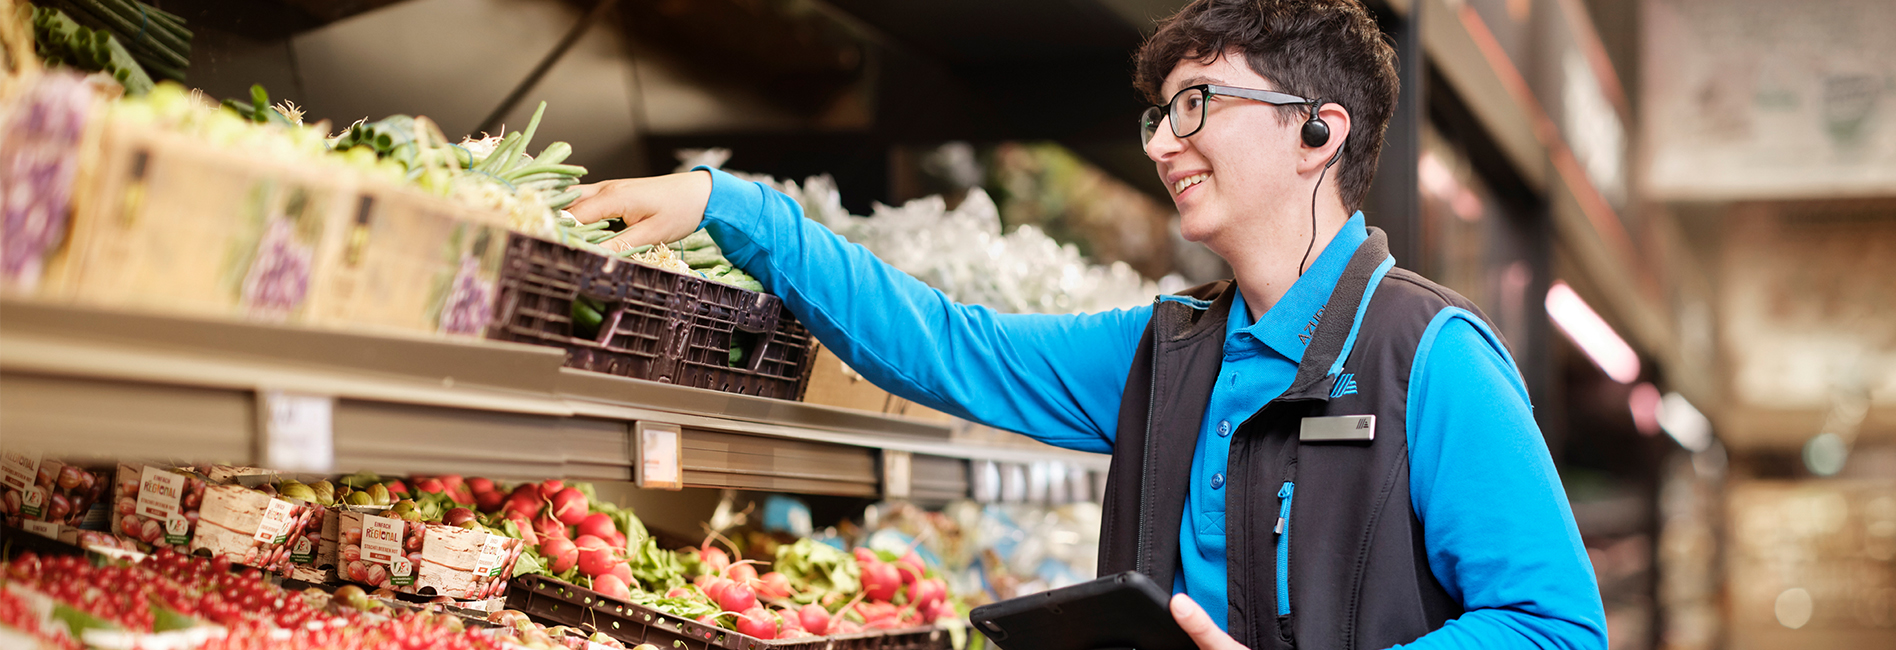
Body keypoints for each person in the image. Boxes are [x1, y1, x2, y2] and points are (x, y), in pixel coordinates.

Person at [568, 1, 1607, 647]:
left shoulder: (1430, 358)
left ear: (1316, 132)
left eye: (1197, 102)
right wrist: (738, 210)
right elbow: (948, 346)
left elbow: (1554, 626)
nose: (1164, 143)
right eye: (1160, 113)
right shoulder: (1166, 350)